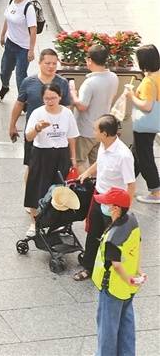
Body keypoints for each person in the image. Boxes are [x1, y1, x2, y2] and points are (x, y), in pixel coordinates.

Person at [73, 114, 136, 281]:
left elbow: (131, 185)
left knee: (111, 239)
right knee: (93, 233)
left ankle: (108, 272)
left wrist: (124, 211)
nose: (93, 131)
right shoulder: (103, 145)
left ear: (105, 133)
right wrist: (87, 172)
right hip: (99, 195)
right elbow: (100, 162)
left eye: (95, 129)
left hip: (114, 203)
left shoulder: (123, 156)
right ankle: (88, 268)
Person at [91, 187, 147, 356]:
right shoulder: (132, 221)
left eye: (107, 204)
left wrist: (128, 277)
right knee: (126, 326)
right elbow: (136, 248)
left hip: (112, 287)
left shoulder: (113, 236)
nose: (104, 206)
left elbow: (115, 264)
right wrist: (137, 272)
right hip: (128, 289)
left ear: (115, 208)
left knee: (107, 329)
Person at [23, 84, 79, 236]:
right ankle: (34, 223)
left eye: (53, 97)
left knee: (60, 190)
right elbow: (28, 137)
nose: (50, 101)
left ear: (60, 97)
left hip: (61, 154)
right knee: (35, 188)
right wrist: (38, 128)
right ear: (42, 98)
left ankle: (57, 224)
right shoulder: (37, 113)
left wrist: (73, 158)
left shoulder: (67, 113)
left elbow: (72, 137)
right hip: (41, 153)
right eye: (47, 98)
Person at [8, 48, 71, 168]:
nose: (51, 66)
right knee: (31, 167)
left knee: (53, 168)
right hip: (33, 132)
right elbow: (19, 104)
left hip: (55, 134)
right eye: (47, 63)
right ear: (40, 63)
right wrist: (12, 125)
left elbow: (67, 108)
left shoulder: (62, 83)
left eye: (54, 63)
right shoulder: (28, 82)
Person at [70, 45, 119, 172]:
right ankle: (97, 189)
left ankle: (85, 187)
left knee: (80, 160)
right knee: (97, 162)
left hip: (85, 130)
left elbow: (82, 106)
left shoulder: (90, 83)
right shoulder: (113, 77)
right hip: (103, 128)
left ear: (90, 60)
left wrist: (73, 93)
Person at [126, 44, 160, 204]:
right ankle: (127, 183)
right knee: (137, 153)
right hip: (152, 123)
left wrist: (131, 95)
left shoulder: (148, 81)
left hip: (144, 124)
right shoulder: (158, 75)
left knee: (144, 156)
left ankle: (156, 190)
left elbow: (147, 106)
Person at [0, 0, 37, 103]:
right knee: (4, 71)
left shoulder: (28, 7)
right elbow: (7, 19)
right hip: (10, 43)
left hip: (23, 48)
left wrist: (31, 50)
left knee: (20, 75)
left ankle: (23, 100)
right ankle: (5, 87)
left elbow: (33, 31)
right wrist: (2, 35)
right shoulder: (11, 1)